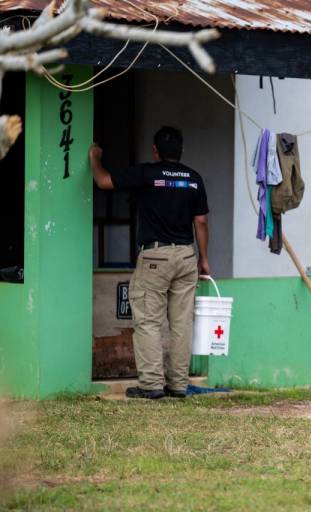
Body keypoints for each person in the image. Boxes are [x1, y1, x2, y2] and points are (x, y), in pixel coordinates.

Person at [89, 126, 210, 400]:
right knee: (181, 324)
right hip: (186, 256)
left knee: (148, 321)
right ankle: (179, 385)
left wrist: (94, 158)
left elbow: (104, 181)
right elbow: (201, 221)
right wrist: (203, 259)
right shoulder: (194, 179)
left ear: (155, 150)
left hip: (155, 256)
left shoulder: (147, 173)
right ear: (181, 151)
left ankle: (152, 385)